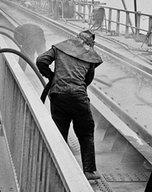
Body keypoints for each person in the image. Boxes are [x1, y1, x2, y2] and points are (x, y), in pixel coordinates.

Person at [36, 30, 103, 180]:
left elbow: (41, 60)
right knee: (86, 133)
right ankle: (89, 171)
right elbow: (88, 80)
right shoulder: (90, 56)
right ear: (90, 43)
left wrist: (51, 75)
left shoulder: (60, 47)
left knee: (60, 132)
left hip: (58, 96)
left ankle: (58, 168)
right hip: (79, 98)